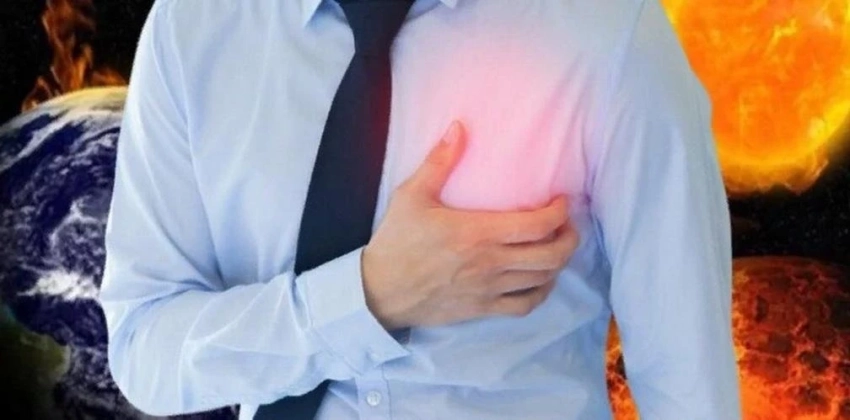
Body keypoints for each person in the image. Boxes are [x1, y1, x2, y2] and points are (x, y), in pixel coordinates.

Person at [98, 0, 742, 419]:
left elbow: (688, 385)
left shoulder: (607, 33)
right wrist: (368, 297)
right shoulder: (194, 27)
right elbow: (142, 346)